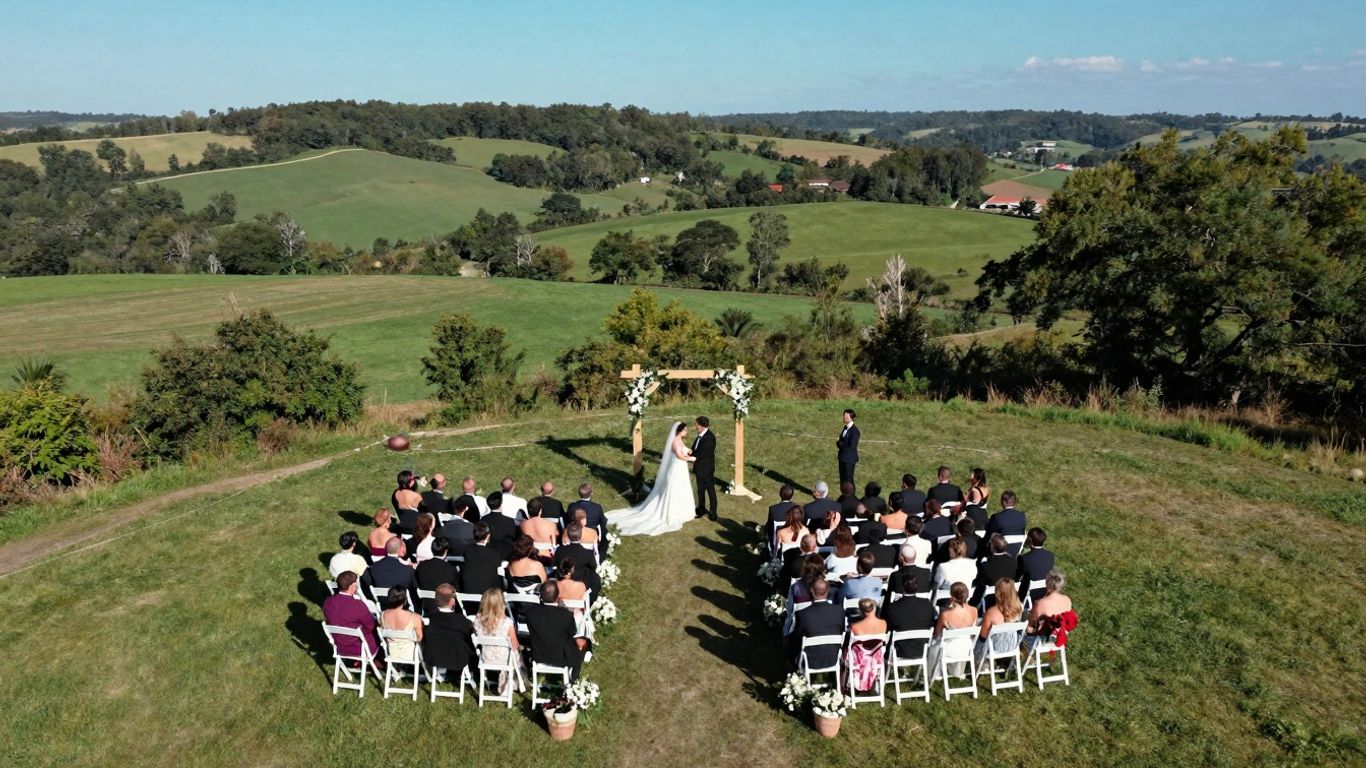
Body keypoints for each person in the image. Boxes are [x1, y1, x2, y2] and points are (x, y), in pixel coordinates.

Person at [608, 422, 697, 536]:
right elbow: (679, 455)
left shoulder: (680, 441)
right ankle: (671, 512)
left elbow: (684, 451)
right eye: (685, 430)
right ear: (679, 431)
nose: (687, 431)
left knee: (681, 488)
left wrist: (690, 452)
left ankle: (682, 511)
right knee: (674, 488)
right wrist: (691, 459)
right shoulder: (675, 441)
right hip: (675, 469)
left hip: (681, 469)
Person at [524, 580, 589, 679]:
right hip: (561, 658)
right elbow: (572, 632)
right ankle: (573, 679)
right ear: (557, 596)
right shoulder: (565, 615)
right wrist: (563, 609)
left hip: (538, 655)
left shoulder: (530, 613)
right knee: (583, 643)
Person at [472, 588, 523, 694]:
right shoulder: (506, 623)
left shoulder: (477, 620)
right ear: (501, 604)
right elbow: (514, 646)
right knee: (518, 653)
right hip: (505, 660)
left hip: (486, 657)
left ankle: (510, 680)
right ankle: (517, 680)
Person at [788, 579, 846, 668]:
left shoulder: (802, 614)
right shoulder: (839, 611)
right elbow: (843, 631)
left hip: (810, 660)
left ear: (812, 591)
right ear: (828, 591)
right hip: (835, 658)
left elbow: (796, 635)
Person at [323, 571, 379, 661]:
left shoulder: (328, 602)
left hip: (340, 647)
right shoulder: (358, 605)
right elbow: (371, 626)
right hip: (361, 648)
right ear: (353, 585)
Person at [928, 582, 978, 678]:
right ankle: (956, 671)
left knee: (933, 646)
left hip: (949, 650)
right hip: (966, 648)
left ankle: (934, 674)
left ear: (952, 596)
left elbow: (937, 634)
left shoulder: (945, 614)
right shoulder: (974, 610)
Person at [424, 583, 474, 678]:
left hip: (435, 657)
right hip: (457, 659)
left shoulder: (431, 619)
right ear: (452, 601)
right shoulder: (460, 620)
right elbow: (468, 635)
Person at [884, 575, 936, 663]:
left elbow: (888, 629)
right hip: (922, 649)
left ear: (903, 587)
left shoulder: (893, 607)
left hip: (900, 651)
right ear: (917, 587)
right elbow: (933, 622)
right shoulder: (927, 604)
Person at [976, 578, 1023, 668]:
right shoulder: (1019, 607)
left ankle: (983, 665)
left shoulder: (991, 613)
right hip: (1012, 645)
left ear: (998, 593)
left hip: (995, 648)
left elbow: (982, 637)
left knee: (975, 635)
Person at [1024, 570, 1073, 653]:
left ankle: (1020, 655)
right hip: (1060, 638)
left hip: (1041, 641)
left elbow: (1030, 627)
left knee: (1023, 616)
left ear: (1047, 584)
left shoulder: (1041, 604)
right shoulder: (1067, 600)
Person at [847, 597, 888, 692]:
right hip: (876, 659)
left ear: (861, 611)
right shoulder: (883, 624)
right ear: (874, 608)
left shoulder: (855, 627)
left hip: (858, 661)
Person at [361, 536, 416, 605]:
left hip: (383, 606)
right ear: (400, 549)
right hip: (402, 607)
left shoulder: (373, 568)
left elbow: (365, 583)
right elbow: (415, 592)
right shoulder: (408, 571)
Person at [553, 523, 601, 598]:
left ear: (568, 535)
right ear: (580, 536)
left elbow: (554, 563)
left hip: (561, 584)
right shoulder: (587, 553)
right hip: (581, 584)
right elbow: (593, 567)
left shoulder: (559, 550)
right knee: (595, 578)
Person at [379, 585, 424, 664]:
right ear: (405, 598)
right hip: (411, 654)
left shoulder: (383, 615)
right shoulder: (414, 617)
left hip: (391, 653)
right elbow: (420, 637)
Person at [457, 522, 504, 596]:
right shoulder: (494, 554)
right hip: (488, 597)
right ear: (488, 536)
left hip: (468, 594)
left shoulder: (468, 551)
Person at [415, 537, 458, 610]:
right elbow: (456, 589)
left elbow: (417, 584)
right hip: (444, 607)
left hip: (426, 606)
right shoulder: (451, 569)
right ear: (446, 551)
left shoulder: (422, 566)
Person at [973, 534, 1016, 608]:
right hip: (1010, 597)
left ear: (992, 547)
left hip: (991, 601)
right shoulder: (1014, 561)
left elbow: (978, 583)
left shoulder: (985, 566)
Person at [934, 538, 976, 604]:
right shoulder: (973, 563)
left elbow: (936, 585)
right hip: (967, 599)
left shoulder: (943, 566)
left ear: (951, 550)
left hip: (947, 601)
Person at [1016, 527, 1054, 600]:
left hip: (1029, 594)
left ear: (1030, 540)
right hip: (1045, 591)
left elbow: (1017, 577)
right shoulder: (1050, 555)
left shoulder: (1024, 558)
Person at [480, 491, 517, 560]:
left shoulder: (483, 520)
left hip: (488, 554)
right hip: (506, 555)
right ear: (501, 504)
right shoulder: (510, 521)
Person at [836, 409, 860, 487]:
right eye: (844, 415)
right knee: (842, 479)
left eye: (846, 416)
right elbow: (841, 439)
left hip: (849, 459)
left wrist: (841, 445)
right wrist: (839, 443)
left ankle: (851, 496)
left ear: (851, 417)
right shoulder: (845, 428)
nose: (844, 417)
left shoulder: (855, 431)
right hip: (842, 458)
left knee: (848, 479)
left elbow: (852, 446)